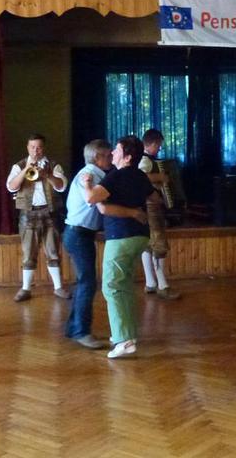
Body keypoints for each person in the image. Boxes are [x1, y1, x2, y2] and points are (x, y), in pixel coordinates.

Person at [82, 135, 161, 359]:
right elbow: (155, 199)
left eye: (116, 150)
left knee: (112, 287)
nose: (112, 154)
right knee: (124, 286)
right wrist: (135, 206)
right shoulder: (139, 175)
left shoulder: (116, 176)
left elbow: (91, 198)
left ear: (126, 157)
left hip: (121, 237)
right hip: (140, 236)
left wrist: (86, 183)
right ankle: (126, 334)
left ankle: (124, 341)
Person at [63, 139, 147, 349]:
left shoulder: (99, 175)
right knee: (87, 282)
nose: (112, 157)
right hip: (78, 233)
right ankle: (81, 331)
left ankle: (75, 328)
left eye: (114, 153)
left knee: (86, 281)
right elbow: (97, 203)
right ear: (97, 157)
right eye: (109, 154)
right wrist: (134, 212)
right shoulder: (93, 175)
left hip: (80, 233)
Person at [6, 133, 70, 302]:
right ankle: (26, 288)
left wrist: (47, 175)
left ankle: (58, 287)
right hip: (28, 213)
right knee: (28, 253)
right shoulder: (19, 166)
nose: (36, 151)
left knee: (53, 251)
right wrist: (25, 170)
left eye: (39, 147)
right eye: (33, 147)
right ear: (28, 148)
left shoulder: (53, 165)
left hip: (50, 212)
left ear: (44, 148)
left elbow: (61, 186)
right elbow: (11, 187)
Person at [138, 128, 181, 300]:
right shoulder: (145, 160)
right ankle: (163, 285)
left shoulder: (145, 160)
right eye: (159, 145)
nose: (159, 149)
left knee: (148, 246)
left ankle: (150, 283)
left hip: (146, 207)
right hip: (151, 207)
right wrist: (160, 177)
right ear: (152, 143)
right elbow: (140, 176)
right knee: (159, 244)